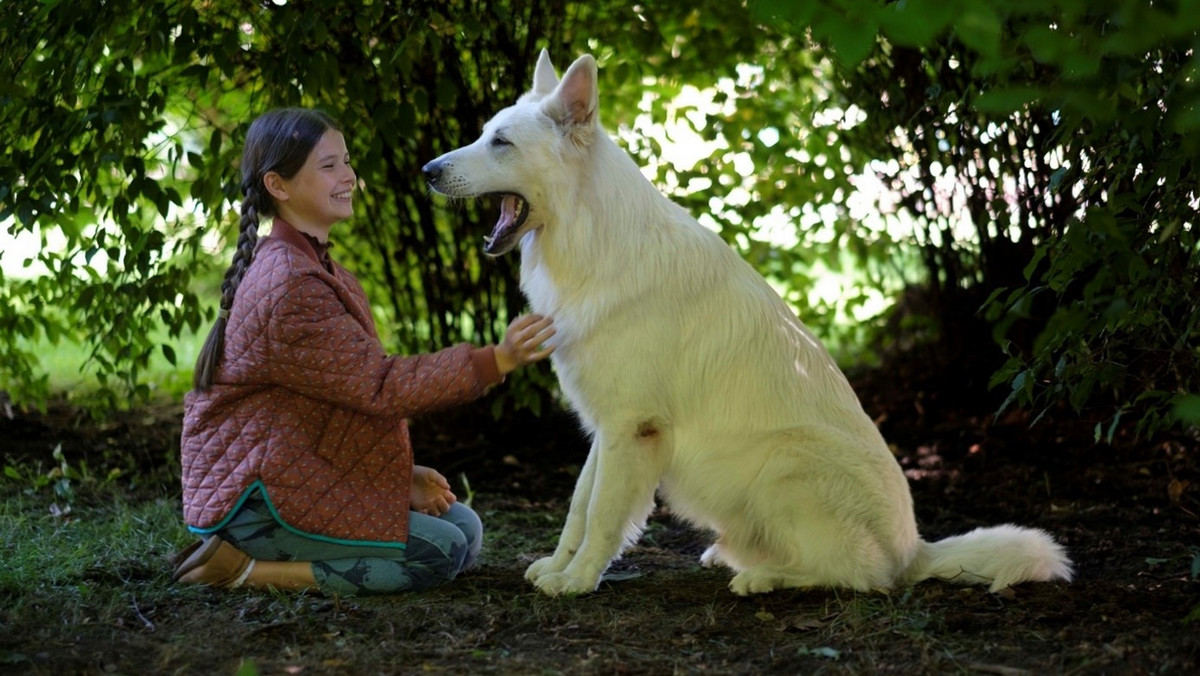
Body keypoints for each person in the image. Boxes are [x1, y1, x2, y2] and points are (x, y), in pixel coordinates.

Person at [171, 107, 555, 596]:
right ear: (279, 186)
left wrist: (394, 476)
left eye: (347, 162)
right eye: (328, 166)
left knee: (465, 531)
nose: (348, 176)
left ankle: (263, 557)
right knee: (439, 551)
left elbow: (339, 397)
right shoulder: (289, 284)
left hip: (292, 471)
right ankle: (243, 570)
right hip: (255, 502)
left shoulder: (313, 265)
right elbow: (380, 386)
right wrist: (494, 360)